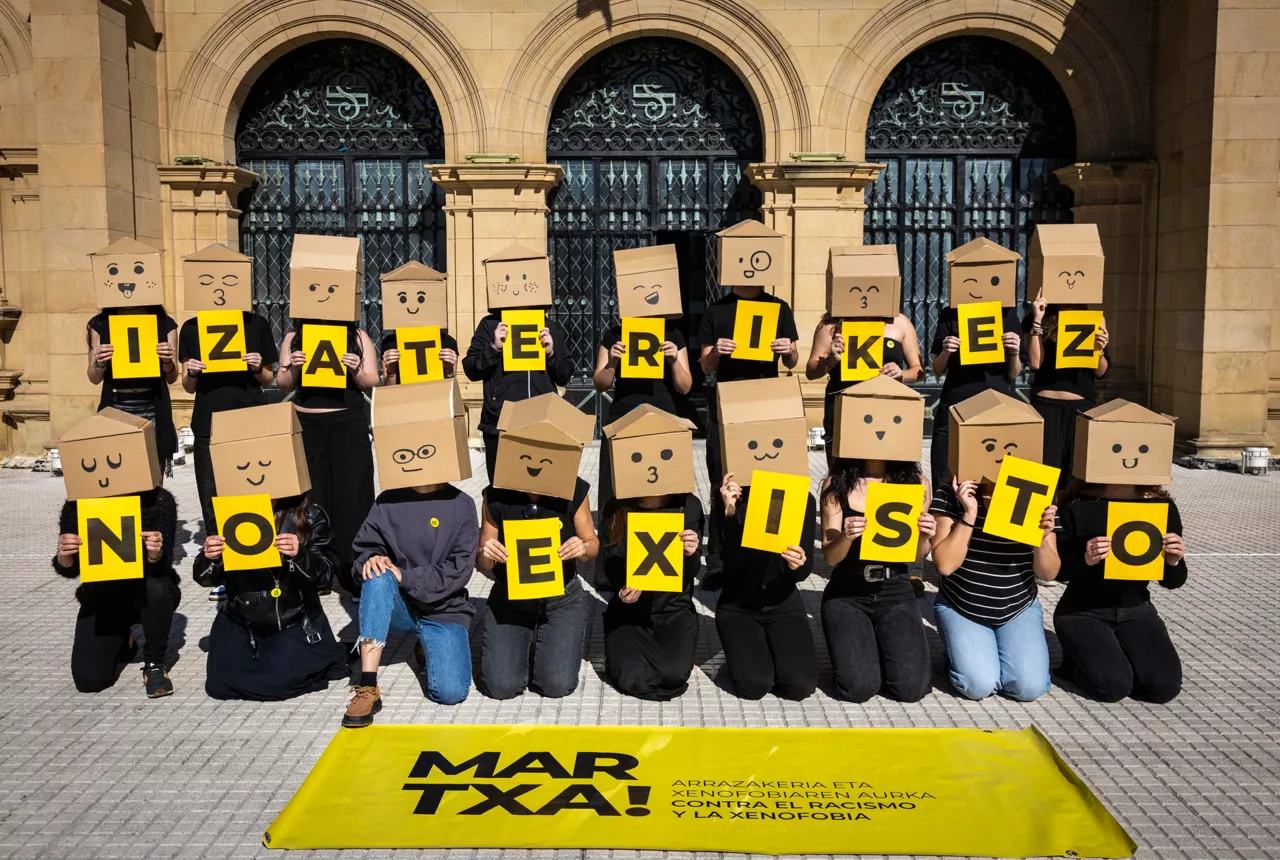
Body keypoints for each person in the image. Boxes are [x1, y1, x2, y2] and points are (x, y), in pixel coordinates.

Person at [343, 481, 478, 726]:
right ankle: (367, 686)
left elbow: (459, 571)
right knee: (376, 573)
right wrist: (371, 559)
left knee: (451, 693)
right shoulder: (387, 501)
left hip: (443, 608)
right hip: (400, 605)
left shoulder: (462, 504)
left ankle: (424, 644)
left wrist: (406, 576)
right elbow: (363, 551)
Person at [192, 494, 346, 701]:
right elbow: (205, 579)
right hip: (243, 618)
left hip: (293, 617)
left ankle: (317, 656)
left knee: (278, 683)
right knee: (220, 685)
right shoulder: (228, 512)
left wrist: (300, 555)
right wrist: (211, 557)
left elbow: (325, 573)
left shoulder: (310, 514)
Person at [697, 283, 800, 581]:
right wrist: (716, 351)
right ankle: (718, 560)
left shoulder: (779, 307)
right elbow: (705, 365)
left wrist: (788, 350)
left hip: (766, 403)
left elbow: (793, 360)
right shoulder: (716, 309)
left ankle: (766, 551)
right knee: (722, 478)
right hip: (727, 405)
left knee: (768, 479)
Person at [1053, 482, 1186, 703]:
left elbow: (1174, 582)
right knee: (1113, 688)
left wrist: (1173, 562)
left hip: (1137, 611)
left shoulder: (1161, 507)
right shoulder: (1076, 505)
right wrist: (1085, 560)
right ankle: (1073, 665)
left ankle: (1117, 658)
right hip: (1082, 611)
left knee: (1164, 688)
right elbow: (1058, 572)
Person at [178, 308, 277, 602]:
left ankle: (259, 570)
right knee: (213, 498)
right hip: (208, 422)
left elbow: (268, 380)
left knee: (255, 495)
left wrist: (259, 367)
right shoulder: (192, 327)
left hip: (250, 421)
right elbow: (187, 385)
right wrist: (192, 371)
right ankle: (224, 573)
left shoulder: (255, 323)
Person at [928, 477, 1059, 701]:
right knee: (977, 685)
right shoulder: (952, 492)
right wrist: (969, 514)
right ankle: (956, 657)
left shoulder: (1035, 489)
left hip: (1017, 605)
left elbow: (1048, 573)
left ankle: (986, 652)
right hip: (963, 605)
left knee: (1028, 687)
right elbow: (945, 566)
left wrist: (1041, 539)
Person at [276, 319, 378, 597]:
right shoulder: (294, 336)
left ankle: (353, 572)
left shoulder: (356, 335)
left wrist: (356, 367)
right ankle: (315, 573)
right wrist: (293, 366)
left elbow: (372, 380)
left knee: (352, 497)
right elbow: (283, 384)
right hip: (306, 425)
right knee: (309, 498)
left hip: (348, 423)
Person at [819, 458, 934, 703]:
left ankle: (879, 648)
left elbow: (917, 555)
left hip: (896, 589)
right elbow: (830, 557)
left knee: (911, 689)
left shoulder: (917, 484)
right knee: (858, 688)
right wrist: (846, 538)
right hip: (848, 591)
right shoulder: (836, 484)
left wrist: (924, 535)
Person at [476, 474, 598, 699]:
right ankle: (522, 641)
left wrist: (582, 547)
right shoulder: (495, 494)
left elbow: (592, 544)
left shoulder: (573, 488)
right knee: (501, 687)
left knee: (557, 685)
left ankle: (545, 641)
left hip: (562, 597)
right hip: (511, 599)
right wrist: (486, 552)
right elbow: (483, 562)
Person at [53, 485, 180, 697]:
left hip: (146, 592)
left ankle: (155, 663)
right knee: (89, 680)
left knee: (160, 587)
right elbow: (70, 570)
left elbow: (163, 567)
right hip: (102, 596)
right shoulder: (76, 503)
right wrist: (64, 557)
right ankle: (125, 641)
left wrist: (154, 555)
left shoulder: (159, 501)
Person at [714, 473, 817, 700]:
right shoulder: (734, 497)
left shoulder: (803, 498)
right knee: (754, 686)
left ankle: (763, 654)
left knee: (800, 686)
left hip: (782, 602)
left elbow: (803, 570)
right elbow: (726, 561)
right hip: (738, 604)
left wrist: (797, 563)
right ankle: (742, 658)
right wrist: (729, 510)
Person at [596, 493, 703, 700]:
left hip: (674, 609)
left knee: (673, 673)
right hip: (629, 612)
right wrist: (622, 592)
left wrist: (691, 553)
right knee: (629, 676)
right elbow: (609, 565)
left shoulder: (688, 504)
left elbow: (690, 573)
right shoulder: (616, 506)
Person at [592, 321, 693, 506]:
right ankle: (613, 532)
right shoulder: (615, 334)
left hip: (662, 417)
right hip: (623, 416)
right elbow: (600, 384)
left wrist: (674, 361)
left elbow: (685, 387)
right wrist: (612, 361)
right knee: (616, 480)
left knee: (662, 481)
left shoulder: (672, 334)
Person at [462, 316, 573, 482]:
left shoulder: (551, 327)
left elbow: (564, 376)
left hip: (542, 423)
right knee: (501, 492)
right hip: (498, 423)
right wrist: (493, 349)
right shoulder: (490, 325)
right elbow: (471, 369)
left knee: (540, 488)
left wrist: (551, 354)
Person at [927, 307, 1021, 492]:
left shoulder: (1007, 314)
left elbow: (1013, 372)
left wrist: (1015, 351)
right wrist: (946, 351)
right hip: (955, 407)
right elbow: (937, 369)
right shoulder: (950, 313)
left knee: (989, 478)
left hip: (994, 409)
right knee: (945, 475)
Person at [806, 312, 923, 460]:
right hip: (844, 409)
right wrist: (831, 359)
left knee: (885, 474)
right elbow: (811, 372)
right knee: (843, 474)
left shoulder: (899, 322)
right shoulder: (831, 324)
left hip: (886, 411)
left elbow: (918, 371)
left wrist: (901, 373)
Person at [1024, 297, 1110, 487]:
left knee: (1077, 472)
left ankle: (1069, 515)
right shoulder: (1038, 317)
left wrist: (1100, 349)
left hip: (1081, 407)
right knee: (1044, 471)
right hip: (1046, 406)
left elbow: (1101, 371)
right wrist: (1037, 319)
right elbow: (1036, 362)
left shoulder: (1094, 318)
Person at [86, 307, 180, 473]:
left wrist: (167, 361)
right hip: (116, 408)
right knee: (120, 474)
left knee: (153, 477)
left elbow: (172, 377)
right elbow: (94, 378)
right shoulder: (100, 323)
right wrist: (99, 362)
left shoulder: (164, 323)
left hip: (154, 408)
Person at [379, 329, 459, 385]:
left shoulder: (447, 341)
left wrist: (449, 369)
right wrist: (391, 370)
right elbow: (389, 390)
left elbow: (451, 388)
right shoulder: (390, 342)